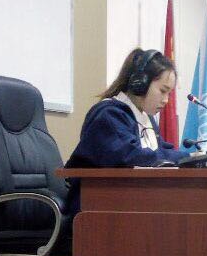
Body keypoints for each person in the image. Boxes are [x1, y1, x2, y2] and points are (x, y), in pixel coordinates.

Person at [65, 48, 189, 213]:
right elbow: (132, 157)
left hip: (127, 202)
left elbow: (161, 151)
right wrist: (185, 158)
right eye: (162, 91)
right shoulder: (109, 115)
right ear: (140, 84)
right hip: (95, 206)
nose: (166, 100)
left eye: (169, 93)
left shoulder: (145, 118)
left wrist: (193, 159)